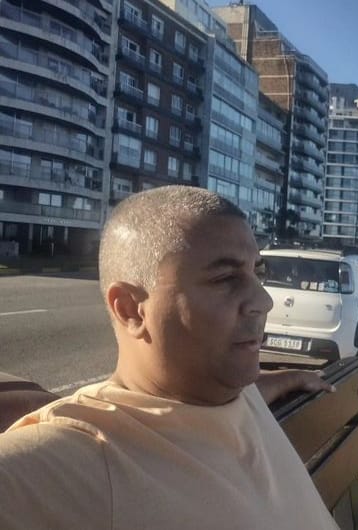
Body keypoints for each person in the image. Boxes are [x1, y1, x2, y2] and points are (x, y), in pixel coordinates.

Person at [0, 186, 340, 530]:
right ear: (131, 309)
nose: (264, 301)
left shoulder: (229, 389)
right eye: (225, 278)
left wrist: (290, 377)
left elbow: (241, 399)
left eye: (258, 272)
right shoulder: (88, 452)